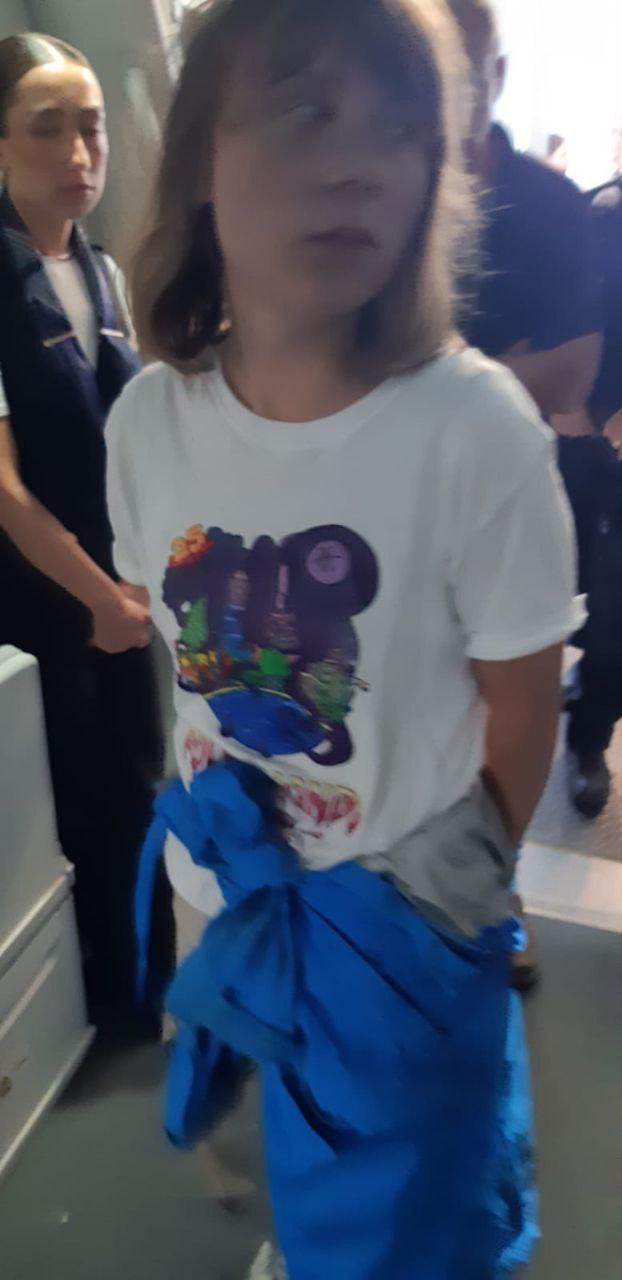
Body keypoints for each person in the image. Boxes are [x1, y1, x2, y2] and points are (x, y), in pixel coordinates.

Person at [108, 1, 582, 1275]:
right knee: (280, 1171)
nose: (359, 164)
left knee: (414, 1216)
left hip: (396, 924)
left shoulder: (472, 429)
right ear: (202, 159)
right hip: (222, 893)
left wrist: (428, 914)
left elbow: (522, 706)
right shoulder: (149, 421)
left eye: (400, 130)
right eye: (306, 111)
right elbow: (181, 658)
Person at [0, 33, 173, 1036]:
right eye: (46, 127)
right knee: (75, 801)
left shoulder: (101, 270)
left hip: (119, 588)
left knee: (139, 783)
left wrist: (142, 581)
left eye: (92, 126)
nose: (78, 152)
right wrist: (101, 597)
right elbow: (5, 487)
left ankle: (145, 984)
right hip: (39, 598)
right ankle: (102, 1002)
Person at [449, 0, 610, 825]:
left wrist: (429, 373)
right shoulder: (377, 194)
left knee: (524, 677)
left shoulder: (553, 206)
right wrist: (505, 367)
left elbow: (571, 373)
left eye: (467, 69)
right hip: (405, 491)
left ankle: (580, 750)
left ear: (498, 75)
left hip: (532, 481)